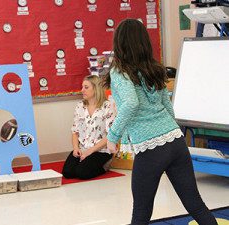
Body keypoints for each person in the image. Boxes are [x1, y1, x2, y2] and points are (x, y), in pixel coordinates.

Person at [104, 19, 217, 225]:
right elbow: (167, 105)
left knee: (141, 212)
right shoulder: (154, 68)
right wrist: (173, 132)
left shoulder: (119, 71)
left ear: (119, 43)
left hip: (151, 148)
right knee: (194, 203)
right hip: (174, 140)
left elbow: (130, 103)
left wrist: (113, 136)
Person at [62, 75, 115, 180]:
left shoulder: (108, 107)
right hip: (82, 148)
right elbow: (75, 131)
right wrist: (76, 148)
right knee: (67, 173)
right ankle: (84, 161)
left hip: (100, 150)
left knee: (82, 173)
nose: (82, 90)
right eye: (82, 87)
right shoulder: (80, 106)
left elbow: (111, 136)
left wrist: (89, 152)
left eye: (86, 87)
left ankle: (105, 166)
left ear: (96, 89)